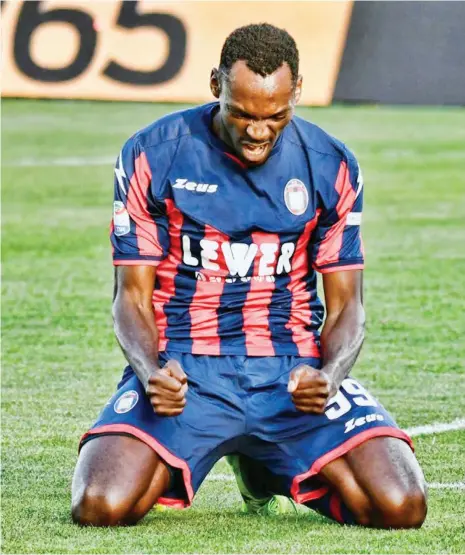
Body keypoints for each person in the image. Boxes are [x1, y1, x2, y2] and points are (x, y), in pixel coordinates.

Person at [71, 23, 427, 528]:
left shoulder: (332, 165)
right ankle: (249, 450)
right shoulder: (152, 153)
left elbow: (349, 306)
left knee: (401, 506)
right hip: (187, 372)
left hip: (289, 370)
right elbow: (130, 296)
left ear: (298, 91)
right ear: (216, 84)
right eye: (241, 113)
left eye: (276, 116)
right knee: (100, 506)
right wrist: (151, 372)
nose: (257, 131)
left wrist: (329, 377)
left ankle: (262, 465)